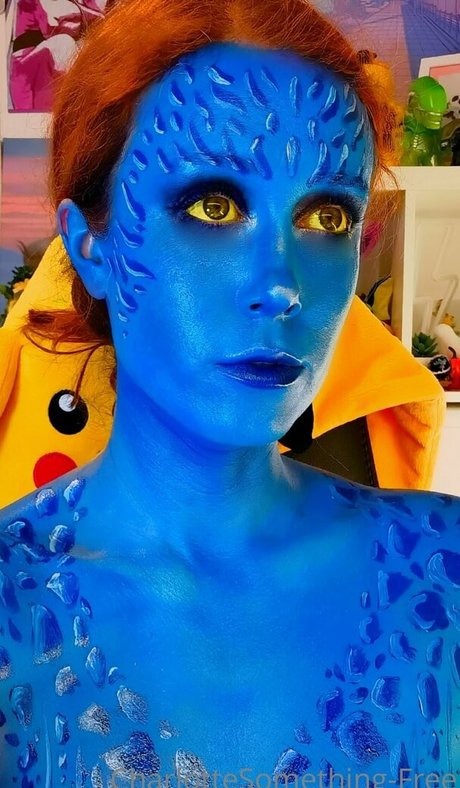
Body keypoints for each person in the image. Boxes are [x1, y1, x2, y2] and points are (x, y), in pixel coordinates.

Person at [0, 0, 459, 783]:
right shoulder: (15, 605)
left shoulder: (444, 574)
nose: (281, 285)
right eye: (212, 207)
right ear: (91, 246)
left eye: (326, 217)